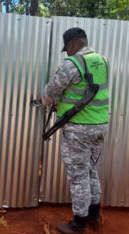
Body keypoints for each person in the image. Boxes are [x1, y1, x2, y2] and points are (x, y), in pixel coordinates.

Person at [41, 27, 110, 233]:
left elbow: (51, 91)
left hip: (79, 129)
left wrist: (44, 99)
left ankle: (79, 223)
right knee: (90, 170)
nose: (67, 52)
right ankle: (95, 217)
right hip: (100, 126)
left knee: (79, 176)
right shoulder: (103, 61)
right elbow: (84, 89)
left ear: (71, 45)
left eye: (67, 48)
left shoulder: (71, 64)